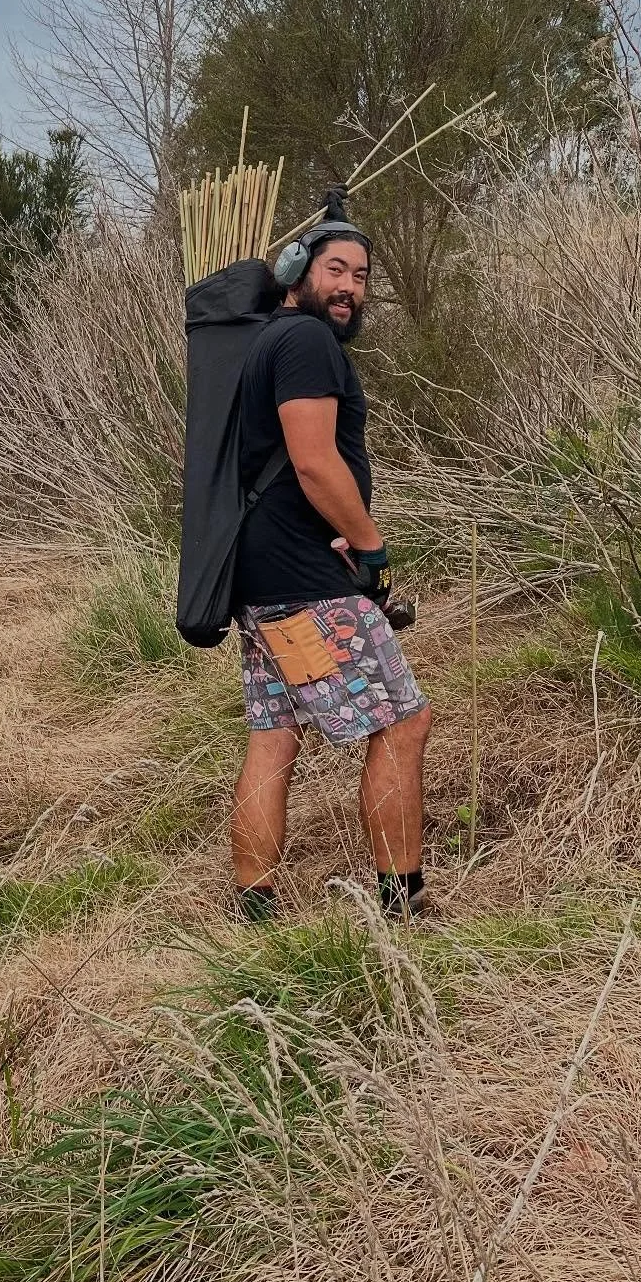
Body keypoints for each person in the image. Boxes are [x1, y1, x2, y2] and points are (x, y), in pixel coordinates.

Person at [229, 214, 432, 922]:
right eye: (335, 269)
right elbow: (315, 462)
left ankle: (253, 908)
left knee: (275, 732)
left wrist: (334, 535)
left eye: (361, 275)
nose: (350, 287)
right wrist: (370, 545)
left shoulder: (268, 343)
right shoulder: (309, 341)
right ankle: (400, 902)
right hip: (305, 587)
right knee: (403, 723)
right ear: (296, 273)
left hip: (262, 581)